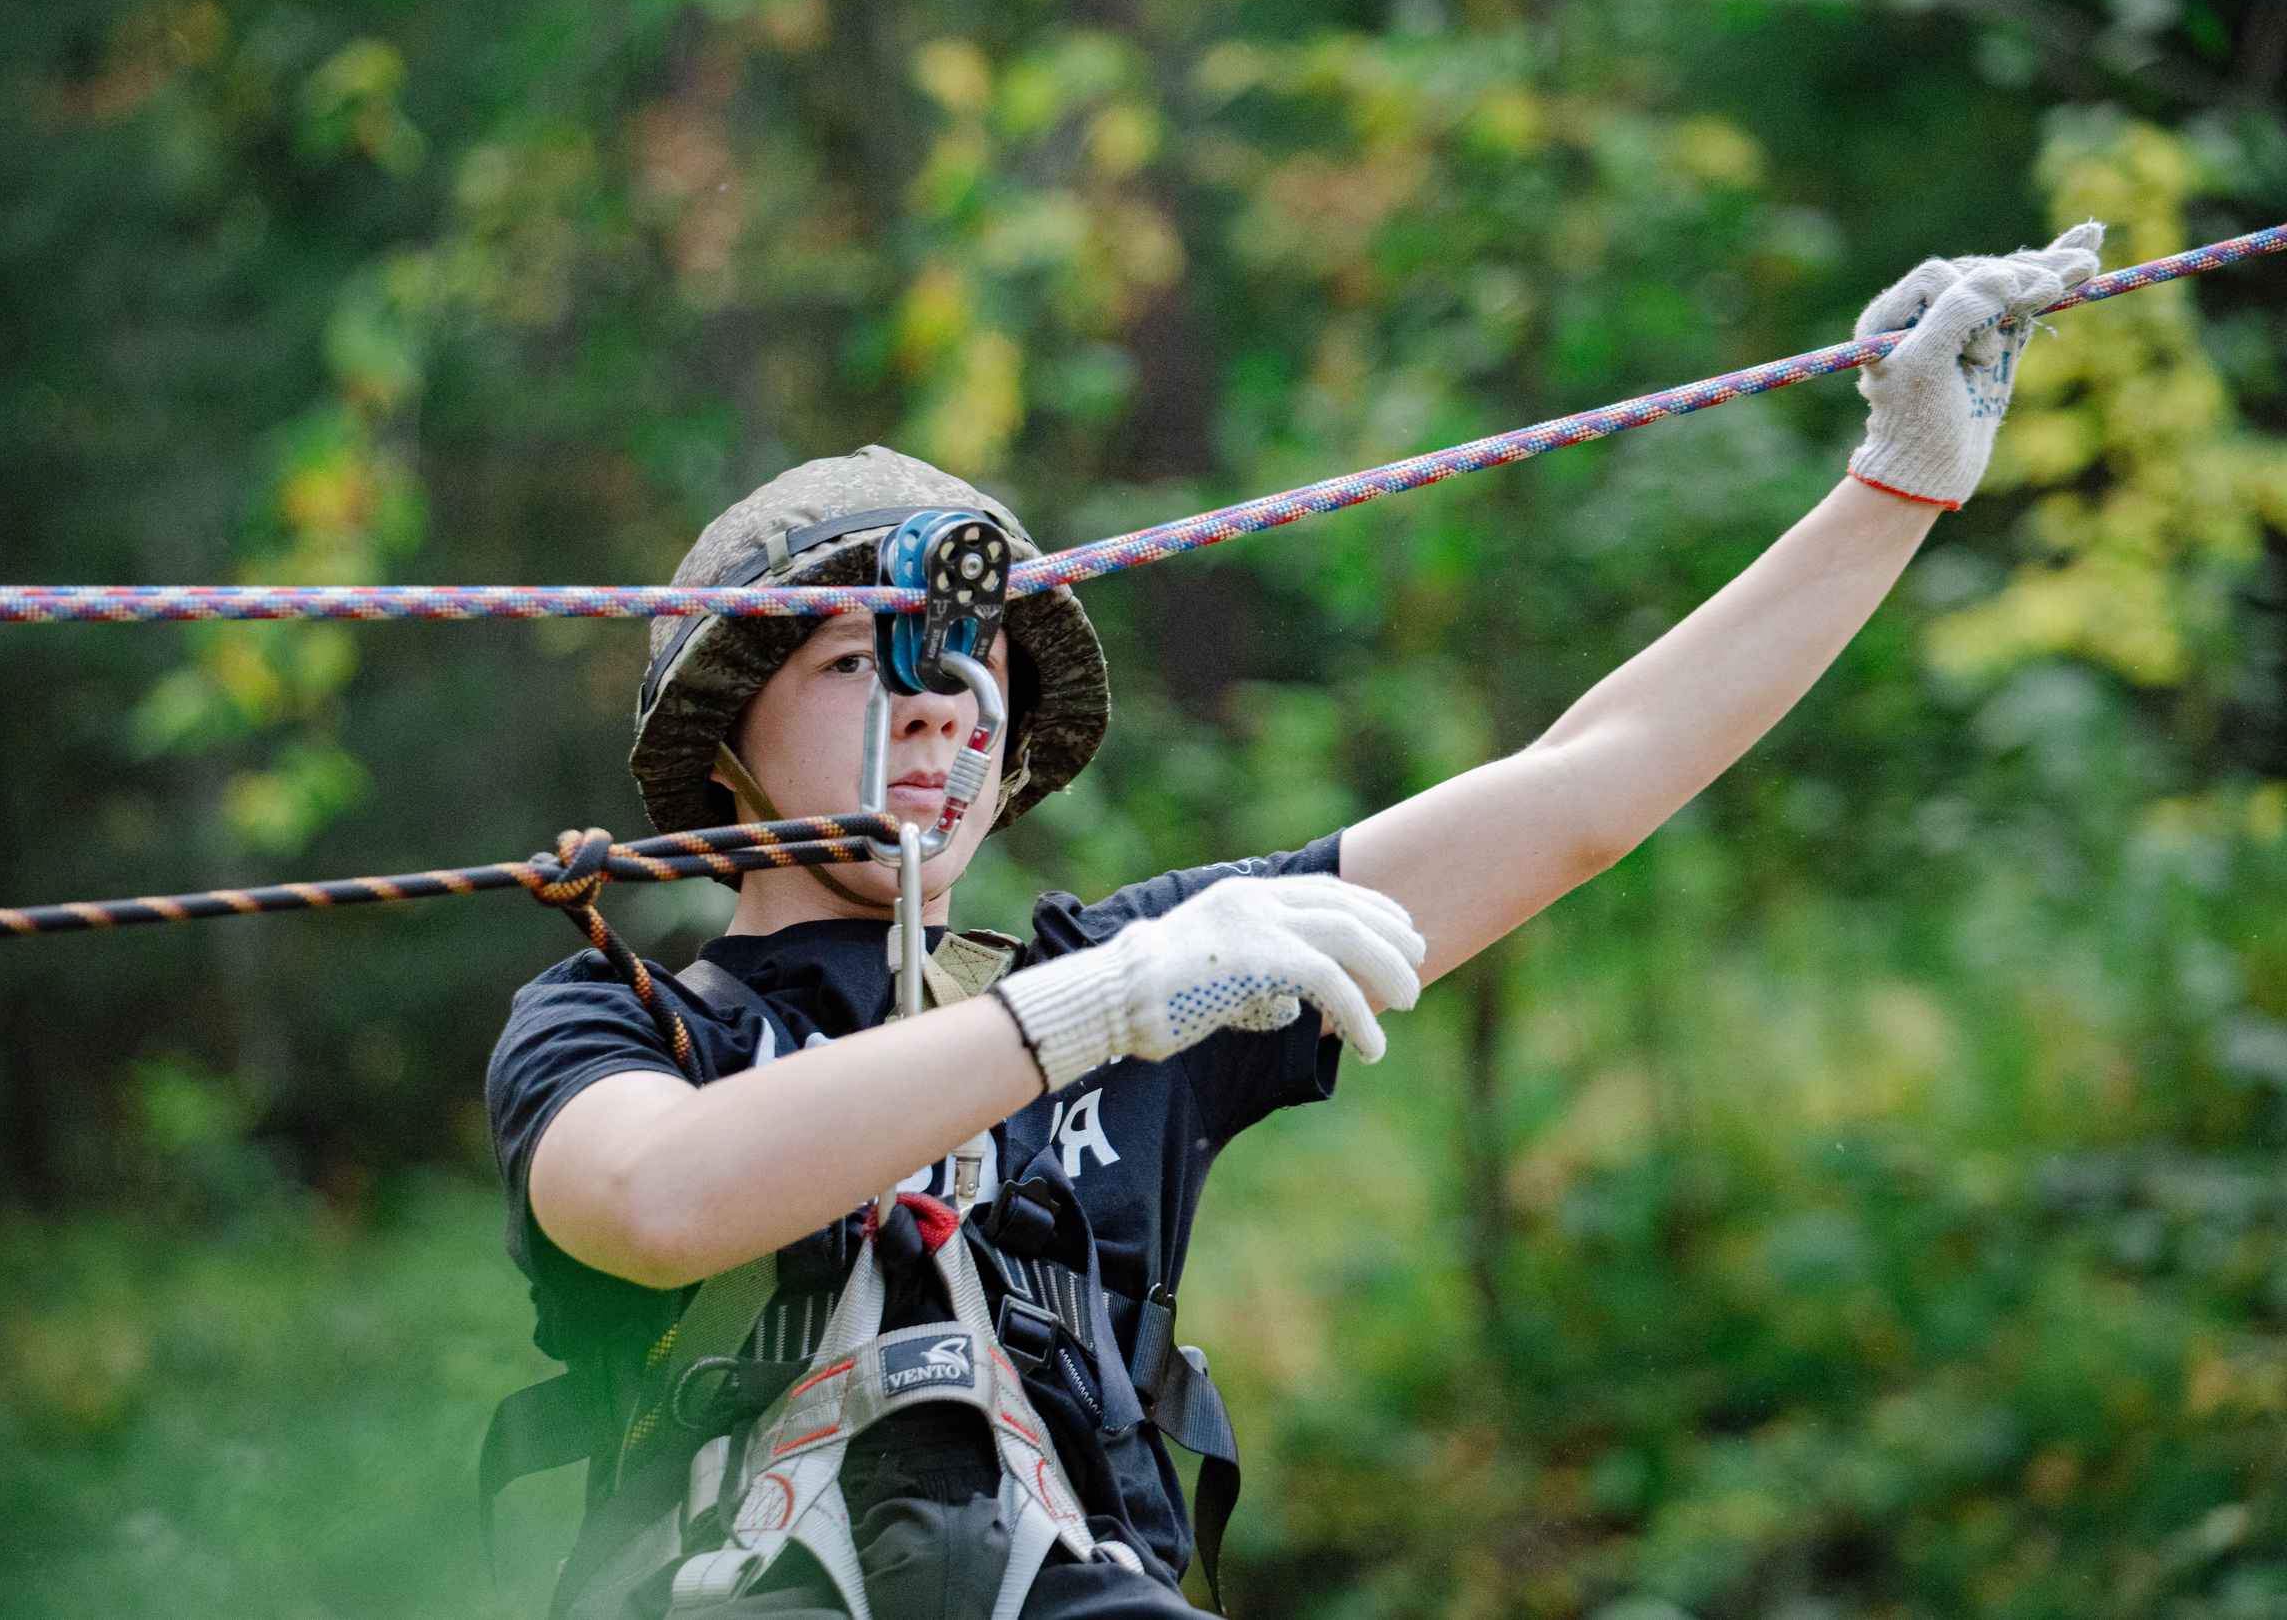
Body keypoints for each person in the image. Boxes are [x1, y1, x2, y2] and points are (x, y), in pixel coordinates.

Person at [485, 224, 2103, 1618]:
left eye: (972, 676)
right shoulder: (633, 1024)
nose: (940, 715)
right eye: (861, 665)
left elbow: (1579, 795)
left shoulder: (1160, 981)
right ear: (717, 747)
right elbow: (657, 1199)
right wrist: (1087, 1020)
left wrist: (1892, 487)